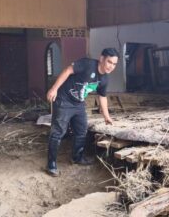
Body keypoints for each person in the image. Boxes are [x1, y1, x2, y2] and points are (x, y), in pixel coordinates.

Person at [46, 48, 119, 177]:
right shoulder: (87, 64)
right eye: (109, 62)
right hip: (64, 100)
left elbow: (102, 97)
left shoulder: (104, 79)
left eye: (114, 64)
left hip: (78, 104)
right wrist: (54, 89)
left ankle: (77, 157)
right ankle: (51, 164)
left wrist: (107, 117)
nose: (111, 66)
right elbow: (67, 70)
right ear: (102, 59)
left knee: (81, 131)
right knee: (58, 132)